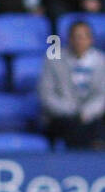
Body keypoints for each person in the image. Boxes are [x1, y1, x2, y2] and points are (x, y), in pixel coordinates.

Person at [38, 20, 105, 149]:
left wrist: (86, 112)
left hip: (92, 116)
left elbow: (102, 95)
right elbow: (46, 95)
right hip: (62, 117)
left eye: (83, 37)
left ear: (91, 39)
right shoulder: (53, 60)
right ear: (69, 39)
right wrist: (71, 111)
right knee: (74, 128)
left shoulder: (101, 61)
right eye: (76, 37)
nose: (79, 41)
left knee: (95, 126)